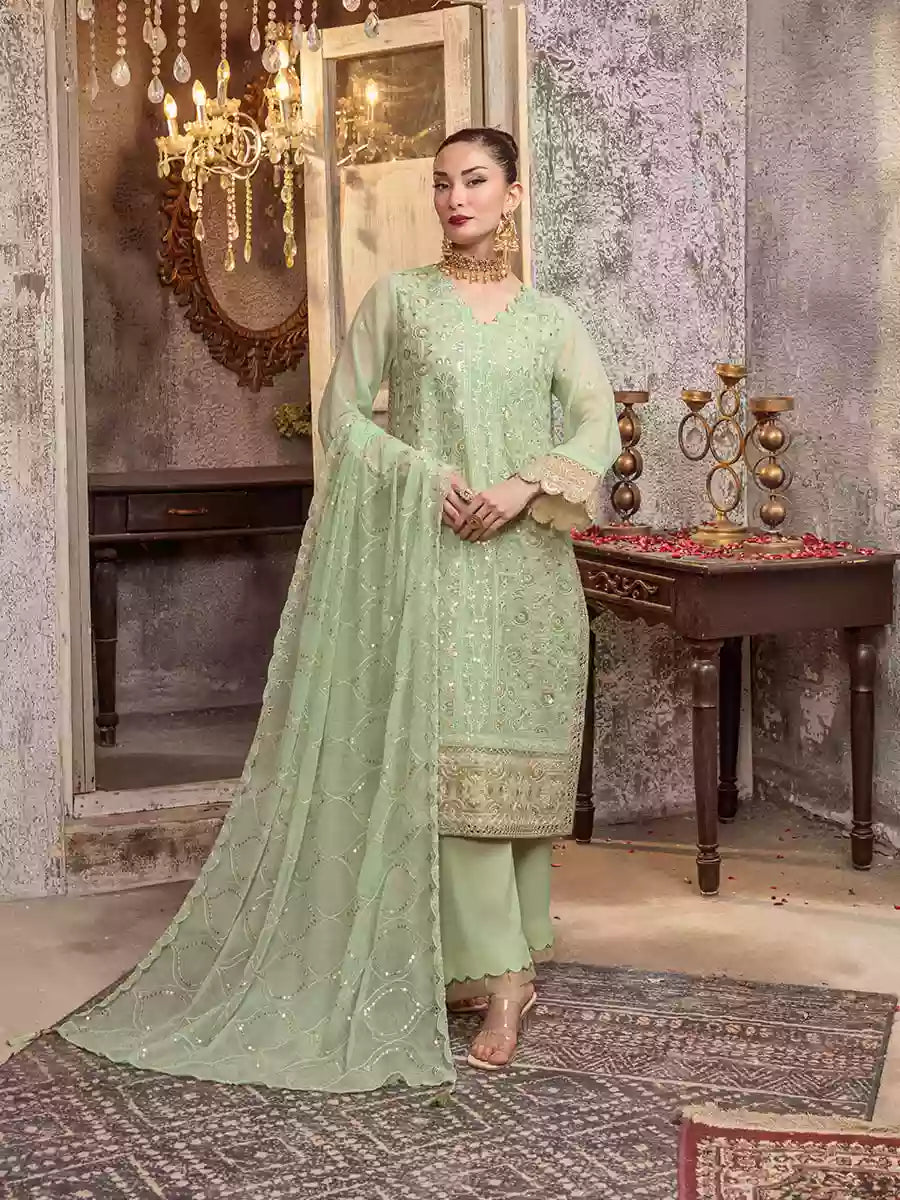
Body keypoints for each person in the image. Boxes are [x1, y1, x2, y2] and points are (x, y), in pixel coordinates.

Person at [55, 128, 619, 1090]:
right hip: (433, 561)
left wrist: (524, 485)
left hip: (526, 568)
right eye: (441, 184)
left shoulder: (550, 320)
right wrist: (424, 473)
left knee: (517, 774)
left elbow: (596, 424)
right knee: (449, 770)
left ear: (514, 195)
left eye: (475, 182)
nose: (455, 199)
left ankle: (506, 960)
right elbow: (343, 415)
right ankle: (497, 975)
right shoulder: (401, 299)